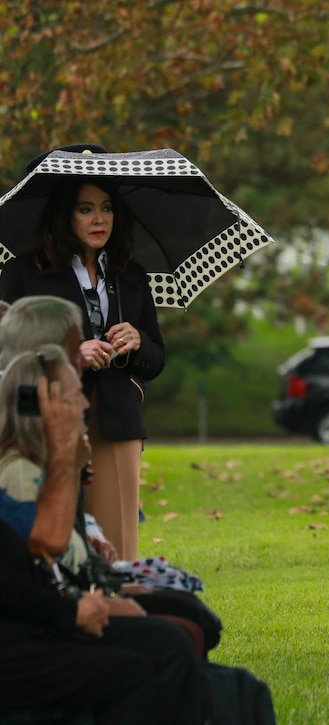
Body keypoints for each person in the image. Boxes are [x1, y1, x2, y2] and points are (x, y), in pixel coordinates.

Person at [0, 345, 201, 724]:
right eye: (74, 394)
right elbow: (50, 546)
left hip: (41, 620)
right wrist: (78, 609)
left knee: (177, 631)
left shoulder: (33, 462)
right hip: (24, 639)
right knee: (147, 660)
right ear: (42, 404)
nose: (85, 404)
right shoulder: (18, 474)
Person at [0, 144, 166, 560]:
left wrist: (137, 343)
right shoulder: (22, 273)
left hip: (114, 421)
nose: (99, 219)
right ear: (64, 215)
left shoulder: (133, 277)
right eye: (86, 209)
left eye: (107, 208)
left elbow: (157, 359)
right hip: (43, 419)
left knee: (118, 551)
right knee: (51, 547)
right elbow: (6, 354)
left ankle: (115, 620)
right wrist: (70, 355)